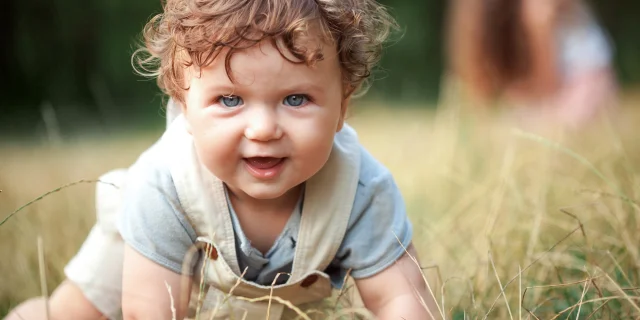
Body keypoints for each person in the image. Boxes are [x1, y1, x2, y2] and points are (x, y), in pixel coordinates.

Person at [4, 0, 438, 319]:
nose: (264, 129)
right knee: (73, 313)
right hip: (148, 259)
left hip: (260, 295)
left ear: (343, 104)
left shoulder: (362, 190)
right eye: (230, 99)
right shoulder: (163, 187)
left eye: (296, 98)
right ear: (183, 105)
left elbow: (402, 299)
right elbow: (150, 311)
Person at [442, 0, 618, 129]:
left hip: (578, 96)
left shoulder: (540, 12)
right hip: (578, 90)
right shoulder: (535, 13)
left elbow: (548, 89)